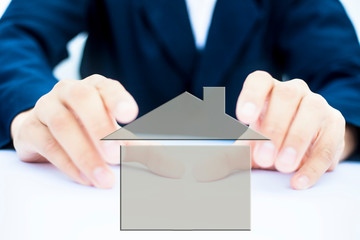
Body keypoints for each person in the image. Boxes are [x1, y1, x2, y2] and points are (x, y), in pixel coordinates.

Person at [0, 0, 359, 189]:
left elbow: (348, 75)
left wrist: (332, 135)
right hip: (111, 190)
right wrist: (31, 112)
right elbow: (14, 40)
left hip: (252, 192)